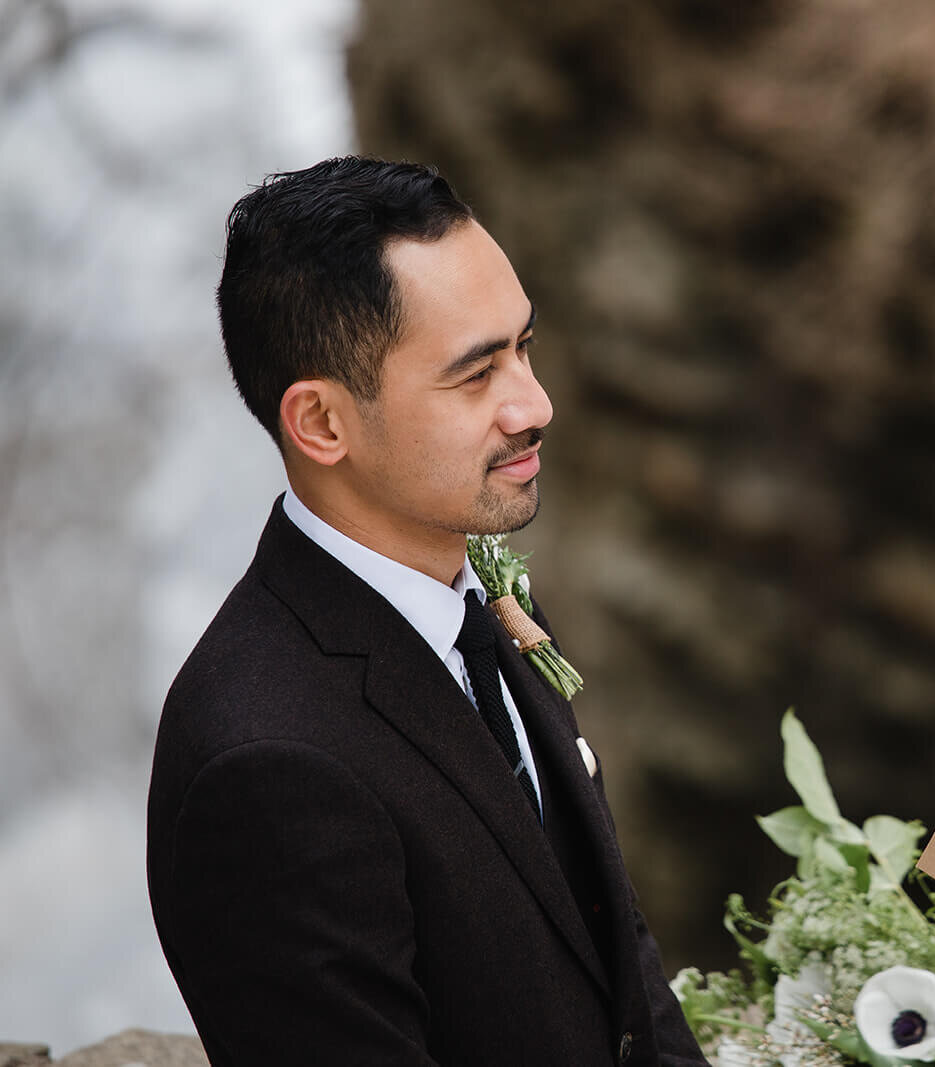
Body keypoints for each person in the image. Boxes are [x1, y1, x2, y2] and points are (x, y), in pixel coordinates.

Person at [147, 157, 708, 1066]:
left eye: (524, 347)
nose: (536, 403)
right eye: (476, 374)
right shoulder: (268, 763)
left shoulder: (476, 596)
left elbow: (619, 967)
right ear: (322, 423)